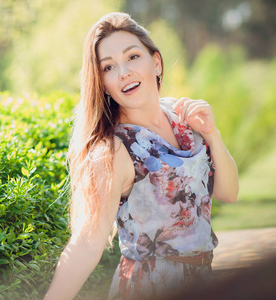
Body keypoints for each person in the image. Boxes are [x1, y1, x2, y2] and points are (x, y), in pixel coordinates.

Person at [43, 12, 239, 300]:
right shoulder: (113, 150)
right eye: (108, 67)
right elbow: (87, 243)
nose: (123, 72)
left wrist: (212, 134)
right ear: (103, 84)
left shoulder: (183, 117)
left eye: (132, 57)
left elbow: (229, 192)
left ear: (156, 62)